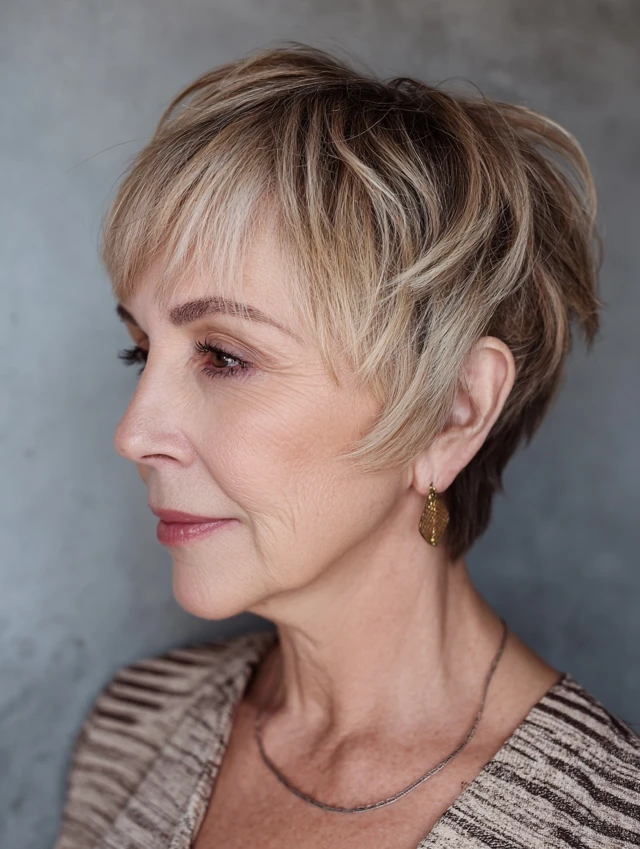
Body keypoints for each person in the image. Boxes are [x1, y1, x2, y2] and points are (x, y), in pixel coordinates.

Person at [53, 43, 640, 849]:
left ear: (453, 411)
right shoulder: (137, 725)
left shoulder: (602, 827)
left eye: (223, 356)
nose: (133, 435)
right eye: (140, 352)